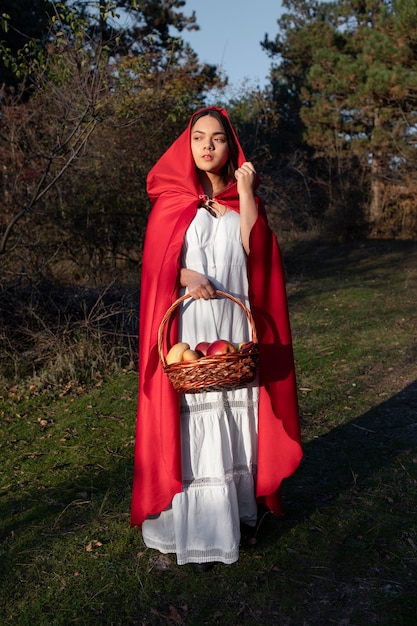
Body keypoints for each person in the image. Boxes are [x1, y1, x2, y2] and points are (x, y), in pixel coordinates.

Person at [131, 106, 302, 572]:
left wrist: (245, 192)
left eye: (218, 139)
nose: (207, 145)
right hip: (191, 325)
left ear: (231, 147)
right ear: (186, 146)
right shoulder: (170, 201)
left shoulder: (237, 198)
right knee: (195, 416)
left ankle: (242, 513)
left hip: (233, 323)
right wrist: (183, 274)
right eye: (198, 138)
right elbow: (154, 268)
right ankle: (201, 528)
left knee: (238, 411)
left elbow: (257, 252)